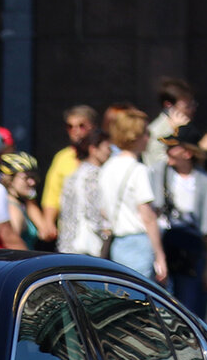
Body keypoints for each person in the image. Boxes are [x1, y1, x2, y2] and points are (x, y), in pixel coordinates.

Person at [149, 130, 207, 319]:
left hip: (190, 249)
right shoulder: (158, 172)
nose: (167, 151)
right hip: (164, 243)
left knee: (189, 305)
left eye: (172, 147)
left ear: (188, 153)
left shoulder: (205, 183)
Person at [98, 108, 168, 282]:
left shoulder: (107, 167)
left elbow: (103, 210)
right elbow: (147, 216)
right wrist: (160, 255)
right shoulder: (139, 170)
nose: (148, 137)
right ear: (134, 136)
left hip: (118, 243)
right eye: (145, 133)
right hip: (139, 243)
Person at [41, 104, 97, 240]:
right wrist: (48, 223)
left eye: (81, 126)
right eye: (70, 127)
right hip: (70, 232)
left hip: (97, 229)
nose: (75, 131)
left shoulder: (103, 155)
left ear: (93, 127)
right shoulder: (62, 158)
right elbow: (52, 194)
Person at [57, 128, 112, 256]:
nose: (110, 153)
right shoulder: (94, 174)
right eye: (107, 148)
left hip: (68, 244)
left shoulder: (74, 174)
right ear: (93, 149)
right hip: (85, 245)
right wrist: (105, 230)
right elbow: (92, 209)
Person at [142, 76, 197, 166]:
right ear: (168, 105)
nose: (192, 110)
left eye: (193, 105)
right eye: (187, 107)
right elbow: (156, 164)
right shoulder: (156, 132)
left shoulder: (188, 126)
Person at [0, 152, 44, 249]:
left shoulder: (18, 204)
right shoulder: (13, 209)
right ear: (10, 180)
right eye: (26, 178)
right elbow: (12, 246)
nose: (32, 182)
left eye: (34, 177)